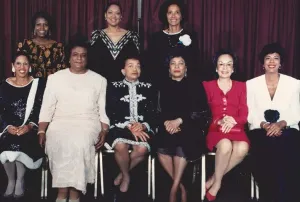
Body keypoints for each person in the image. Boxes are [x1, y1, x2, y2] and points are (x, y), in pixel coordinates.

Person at [38, 36, 110, 202]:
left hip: (88, 123)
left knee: (80, 143)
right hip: (60, 122)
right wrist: (42, 130)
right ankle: (62, 194)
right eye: (75, 55)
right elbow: (47, 108)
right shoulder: (55, 78)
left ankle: (75, 195)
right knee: (59, 141)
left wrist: (104, 130)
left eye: (83, 55)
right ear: (69, 58)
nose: (79, 58)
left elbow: (103, 111)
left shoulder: (99, 80)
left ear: (87, 58)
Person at [247, 43, 300, 202]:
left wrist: (281, 124)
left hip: (287, 128)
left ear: (281, 62)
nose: (272, 62)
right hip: (260, 129)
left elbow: (296, 111)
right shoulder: (251, 84)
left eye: (276, 58)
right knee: (267, 149)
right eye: (268, 58)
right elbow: (250, 112)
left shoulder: (294, 83)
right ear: (262, 63)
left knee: (287, 148)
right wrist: (264, 125)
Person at [156, 52, 210, 202]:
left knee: (182, 142)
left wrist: (179, 121)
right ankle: (180, 187)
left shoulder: (195, 85)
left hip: (190, 126)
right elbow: (157, 110)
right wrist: (166, 122)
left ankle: (173, 190)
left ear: (186, 68)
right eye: (173, 63)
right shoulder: (162, 86)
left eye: (181, 63)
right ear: (169, 69)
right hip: (168, 127)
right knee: (161, 143)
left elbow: (202, 111)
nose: (177, 66)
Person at [104, 56, 157, 193]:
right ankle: (127, 176)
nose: (135, 69)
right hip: (121, 126)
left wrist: (143, 125)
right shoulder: (113, 86)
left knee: (142, 149)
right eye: (130, 66)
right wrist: (129, 125)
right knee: (121, 145)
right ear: (123, 70)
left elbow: (154, 112)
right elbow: (110, 110)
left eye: (138, 66)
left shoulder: (149, 87)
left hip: (142, 127)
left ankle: (122, 173)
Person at [202, 50, 249, 201]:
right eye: (221, 64)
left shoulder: (242, 86)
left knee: (242, 147)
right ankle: (217, 185)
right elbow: (203, 113)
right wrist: (219, 121)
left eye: (229, 65)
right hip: (215, 129)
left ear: (233, 69)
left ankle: (214, 180)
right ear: (216, 68)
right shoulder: (206, 86)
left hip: (236, 128)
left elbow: (244, 111)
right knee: (226, 146)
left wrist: (234, 120)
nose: (225, 68)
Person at [0, 52, 45, 200]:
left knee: (21, 141)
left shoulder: (37, 85)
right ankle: (11, 180)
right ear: (13, 67)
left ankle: (20, 180)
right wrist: (7, 127)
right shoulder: (4, 85)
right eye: (18, 63)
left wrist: (29, 126)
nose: (22, 67)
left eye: (25, 64)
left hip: (30, 129)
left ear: (30, 67)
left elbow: (40, 110)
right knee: (6, 141)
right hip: (8, 128)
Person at [147, 0, 199, 85]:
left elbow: (194, 63)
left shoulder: (191, 36)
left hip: (186, 83)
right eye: (170, 12)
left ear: (181, 16)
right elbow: (152, 64)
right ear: (166, 15)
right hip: (161, 83)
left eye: (177, 12)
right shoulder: (156, 37)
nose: (173, 16)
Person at [90, 2, 140, 82]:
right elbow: (92, 62)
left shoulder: (132, 36)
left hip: (124, 85)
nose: (113, 16)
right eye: (110, 13)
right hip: (100, 83)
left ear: (121, 16)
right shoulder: (96, 35)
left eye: (117, 13)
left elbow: (136, 63)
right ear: (105, 15)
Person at [17, 11, 65, 78]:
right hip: (30, 85)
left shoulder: (58, 47)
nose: (42, 28)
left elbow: (62, 72)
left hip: (51, 86)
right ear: (34, 27)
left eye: (45, 25)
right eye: (38, 25)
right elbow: (18, 69)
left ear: (49, 27)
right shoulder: (25, 45)